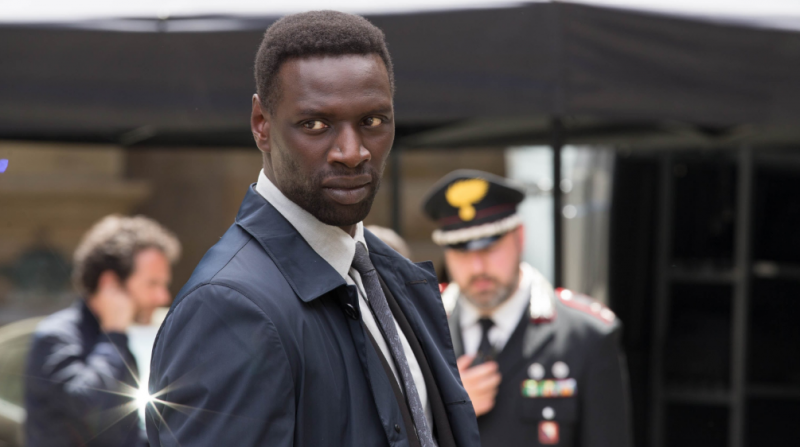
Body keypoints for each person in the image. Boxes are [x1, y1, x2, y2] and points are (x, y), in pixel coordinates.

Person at [146, 11, 480, 447]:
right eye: (316, 125)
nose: (352, 152)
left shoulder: (388, 274)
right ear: (261, 125)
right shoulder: (228, 308)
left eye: (372, 121)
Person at [422, 170, 632, 447]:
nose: (477, 267)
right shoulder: (420, 326)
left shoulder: (586, 335)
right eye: (461, 251)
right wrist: (446, 412)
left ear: (520, 237)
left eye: (490, 247)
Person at [24, 215, 180, 447]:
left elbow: (125, 434)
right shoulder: (55, 337)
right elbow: (91, 408)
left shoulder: (113, 339)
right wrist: (114, 333)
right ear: (111, 284)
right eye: (152, 284)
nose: (163, 297)